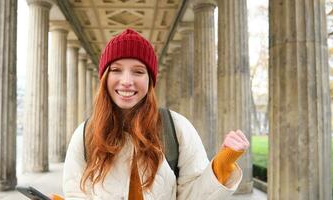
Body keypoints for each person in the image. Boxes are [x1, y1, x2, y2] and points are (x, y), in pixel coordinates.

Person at [62, 28, 250, 200]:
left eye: (138, 71)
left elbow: (192, 196)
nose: (126, 81)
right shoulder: (85, 133)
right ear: (104, 77)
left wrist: (222, 165)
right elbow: (75, 194)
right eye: (116, 70)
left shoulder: (176, 127)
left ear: (150, 80)